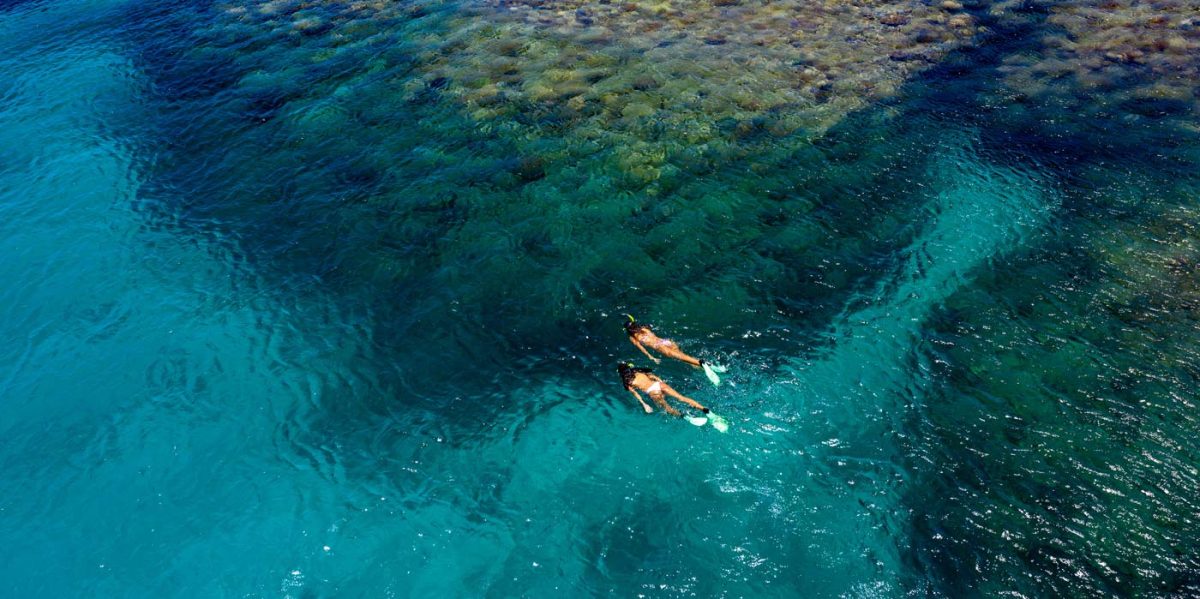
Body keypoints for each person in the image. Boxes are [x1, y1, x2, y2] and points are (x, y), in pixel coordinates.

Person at [624, 314, 727, 385]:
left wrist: (651, 357)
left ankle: (702, 363)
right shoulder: (643, 328)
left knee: (682, 358)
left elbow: (641, 347)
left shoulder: (633, 337)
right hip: (666, 341)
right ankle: (706, 366)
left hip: (660, 346)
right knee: (683, 357)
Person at [617, 362, 709, 417]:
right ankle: (703, 408)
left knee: (667, 408)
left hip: (653, 392)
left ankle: (684, 416)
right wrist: (661, 382)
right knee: (681, 398)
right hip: (659, 385)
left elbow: (636, 394)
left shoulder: (627, 383)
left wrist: (644, 404)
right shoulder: (637, 371)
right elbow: (652, 376)